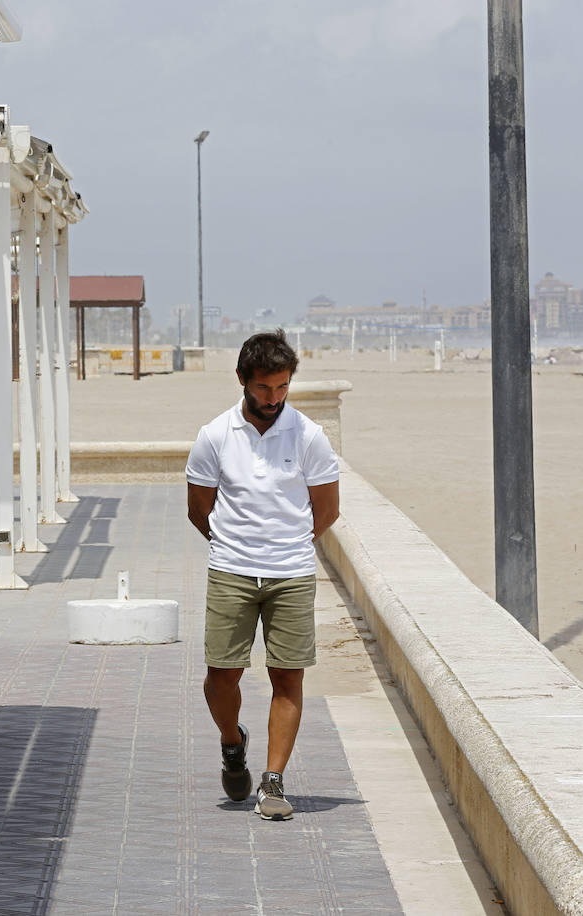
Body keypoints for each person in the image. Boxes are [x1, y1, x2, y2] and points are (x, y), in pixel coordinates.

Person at [184, 330, 340, 820]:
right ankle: (233, 741)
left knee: (287, 675)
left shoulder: (309, 435)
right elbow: (198, 509)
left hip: (291, 573)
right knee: (221, 676)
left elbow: (327, 510)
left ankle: (272, 783)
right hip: (230, 569)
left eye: (282, 387)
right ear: (242, 381)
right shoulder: (214, 435)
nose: (274, 398)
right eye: (265, 388)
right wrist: (238, 546)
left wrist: (286, 546)